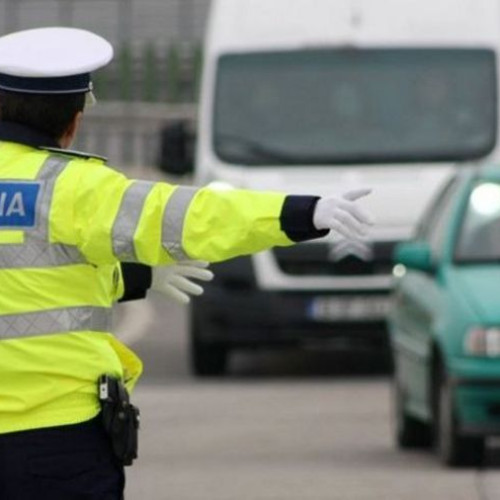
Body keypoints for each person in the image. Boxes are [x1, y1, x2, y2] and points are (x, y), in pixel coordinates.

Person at [0, 27, 373, 500]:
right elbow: (191, 218)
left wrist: (136, 277)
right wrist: (301, 212)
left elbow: (28, 275)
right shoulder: (72, 187)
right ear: (73, 120)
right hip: (55, 437)